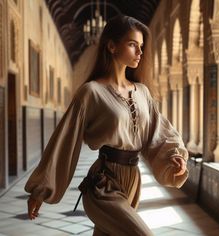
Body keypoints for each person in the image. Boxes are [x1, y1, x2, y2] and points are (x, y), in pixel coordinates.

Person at [25, 15, 188, 236]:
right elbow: (65, 140)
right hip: (104, 183)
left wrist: (173, 158)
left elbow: (157, 133)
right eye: (132, 45)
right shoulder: (91, 92)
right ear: (112, 46)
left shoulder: (143, 93)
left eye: (141, 46)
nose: (140, 52)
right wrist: (40, 190)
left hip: (133, 180)